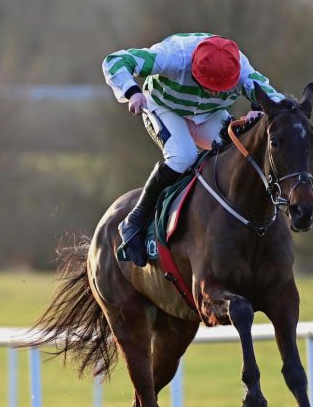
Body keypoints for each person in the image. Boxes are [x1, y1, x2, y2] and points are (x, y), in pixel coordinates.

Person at [102, 33, 284, 267]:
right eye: (211, 87)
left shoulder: (241, 67)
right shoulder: (173, 56)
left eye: (223, 88)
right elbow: (114, 61)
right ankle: (134, 221)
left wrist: (261, 110)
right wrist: (132, 92)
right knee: (184, 156)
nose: (217, 93)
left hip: (208, 114)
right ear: (194, 71)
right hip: (165, 106)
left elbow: (272, 97)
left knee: (235, 151)